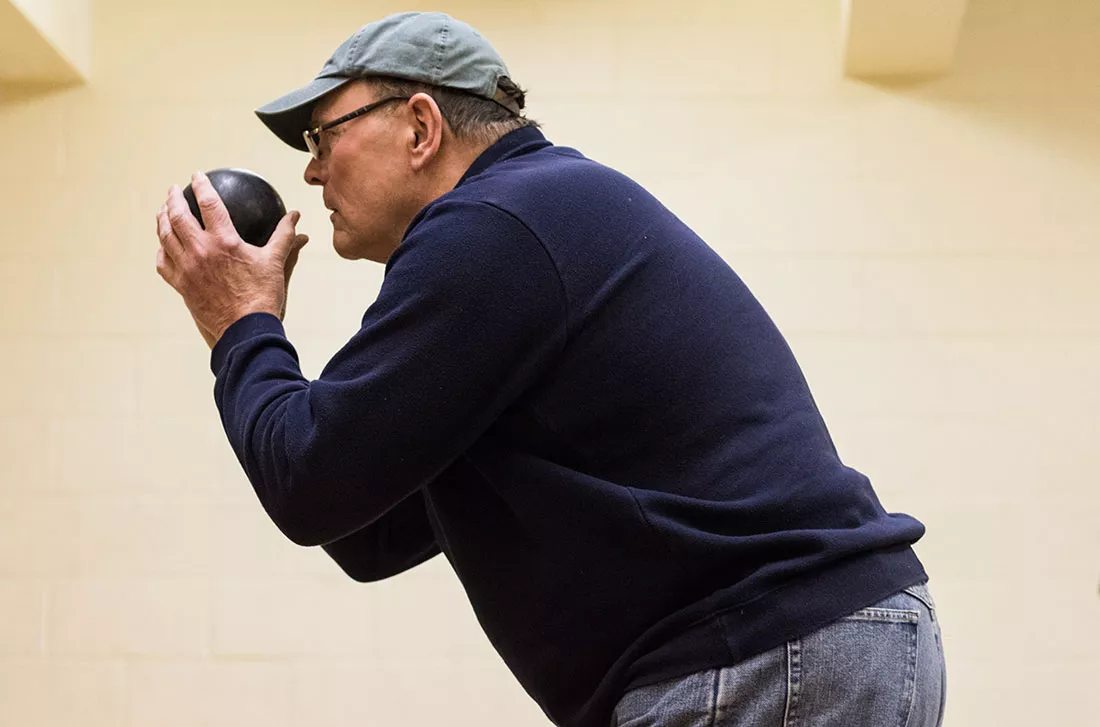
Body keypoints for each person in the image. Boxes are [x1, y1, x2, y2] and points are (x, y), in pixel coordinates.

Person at [155, 11, 946, 727]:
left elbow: (310, 481)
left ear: (421, 126)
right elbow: (363, 531)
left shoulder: (490, 226)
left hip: (761, 654)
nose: (312, 173)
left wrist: (241, 326)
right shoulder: (531, 219)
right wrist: (286, 381)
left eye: (323, 137)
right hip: (800, 647)